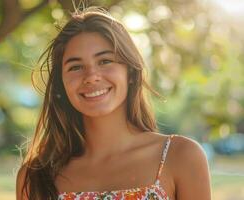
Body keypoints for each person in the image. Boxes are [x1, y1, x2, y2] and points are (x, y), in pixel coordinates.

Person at [16, 6, 211, 200]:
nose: (91, 77)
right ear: (62, 84)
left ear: (131, 73)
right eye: (76, 67)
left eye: (105, 61)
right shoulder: (36, 176)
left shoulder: (181, 157)